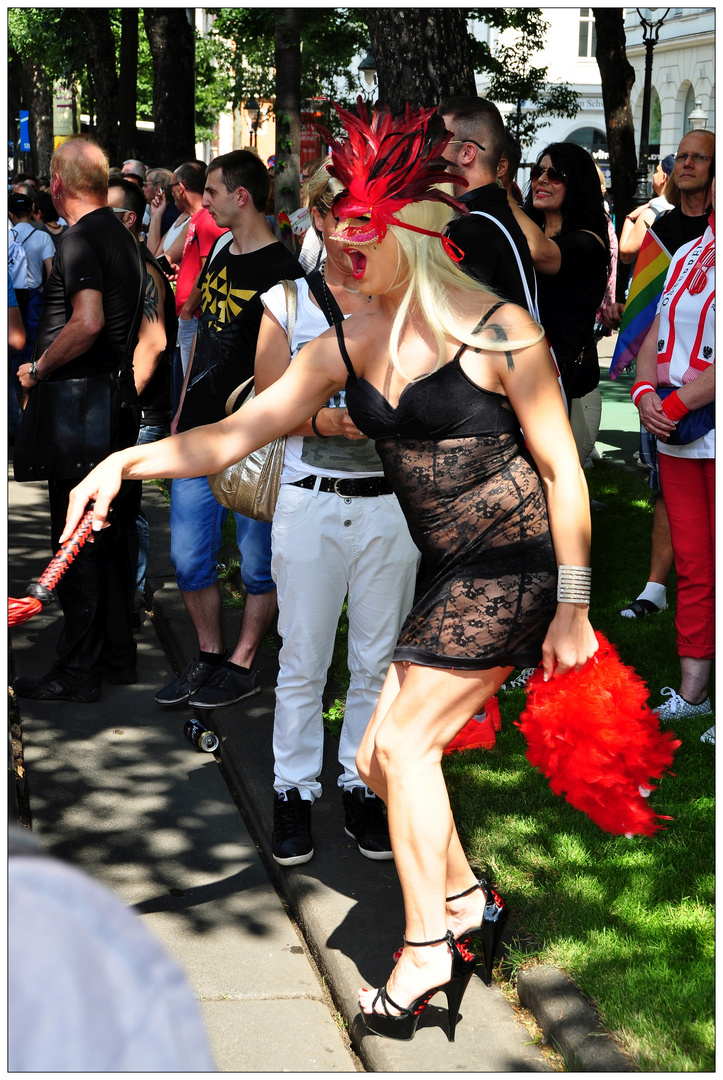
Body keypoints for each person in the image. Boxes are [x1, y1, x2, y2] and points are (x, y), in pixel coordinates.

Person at [61, 101, 597, 1043]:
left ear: (415, 238)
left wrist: (572, 605)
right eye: (334, 240)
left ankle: (428, 947)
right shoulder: (341, 344)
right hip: (450, 570)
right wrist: (121, 464)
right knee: (371, 757)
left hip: (513, 563)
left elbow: (561, 467)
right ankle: (468, 897)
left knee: (399, 750)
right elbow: (232, 433)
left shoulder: (501, 329)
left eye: (359, 242)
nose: (340, 257)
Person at [254, 162, 420, 865]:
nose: (357, 231)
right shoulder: (287, 303)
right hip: (311, 504)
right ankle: (292, 790)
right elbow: (265, 411)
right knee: (302, 658)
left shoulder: (408, 303)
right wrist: (328, 426)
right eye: (341, 216)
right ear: (318, 220)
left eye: (370, 218)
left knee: (376, 662)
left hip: (390, 508)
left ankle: (361, 783)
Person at [155, 149, 303, 711]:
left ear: (241, 196)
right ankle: (210, 656)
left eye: (212, 190)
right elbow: (202, 335)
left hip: (253, 443)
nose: (203, 199)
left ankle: (244, 663)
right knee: (190, 558)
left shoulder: (286, 274)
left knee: (258, 566)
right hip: (196, 432)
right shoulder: (217, 248)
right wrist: (180, 407)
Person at [14, 134, 144, 703]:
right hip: (109, 404)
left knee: (77, 538)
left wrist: (38, 368)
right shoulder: (119, 233)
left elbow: (87, 323)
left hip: (81, 411)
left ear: (58, 183)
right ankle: (115, 657)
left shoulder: (81, 240)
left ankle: (78, 671)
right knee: (106, 537)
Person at [615, 130, 715, 619]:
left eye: (700, 158)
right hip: (661, 382)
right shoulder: (665, 230)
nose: (687, 164)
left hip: (707, 390)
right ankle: (656, 587)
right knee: (662, 482)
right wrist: (645, 388)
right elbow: (647, 311)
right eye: (682, 156)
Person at [633, 182, 714, 744]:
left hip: (695, 417)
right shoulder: (687, 253)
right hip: (679, 435)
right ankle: (693, 693)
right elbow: (654, 333)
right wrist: (643, 394)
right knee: (693, 564)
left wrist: (676, 402)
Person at [506, 142, 610, 465]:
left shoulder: (590, 240)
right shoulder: (528, 228)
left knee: (558, 490)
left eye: (555, 174)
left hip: (572, 390)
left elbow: (543, 254)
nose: (541, 180)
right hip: (524, 382)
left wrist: (502, 197)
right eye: (538, 172)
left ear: (577, 183)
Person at [107, 176, 177, 626]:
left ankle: (130, 600)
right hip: (128, 407)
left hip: (139, 411)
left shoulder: (142, 269)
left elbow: (152, 345)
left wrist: (122, 402)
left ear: (130, 219)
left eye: (106, 212)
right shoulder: (124, 261)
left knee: (127, 508)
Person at [439, 97, 538, 315]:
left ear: (467, 153)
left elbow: (457, 319)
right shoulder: (490, 214)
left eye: (440, 141)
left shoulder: (476, 228)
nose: (433, 152)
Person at [618, 153, 675, 266]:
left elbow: (626, 254)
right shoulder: (682, 208)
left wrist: (630, 218)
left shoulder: (651, 214)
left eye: (656, 171)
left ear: (663, 177)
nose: (654, 175)